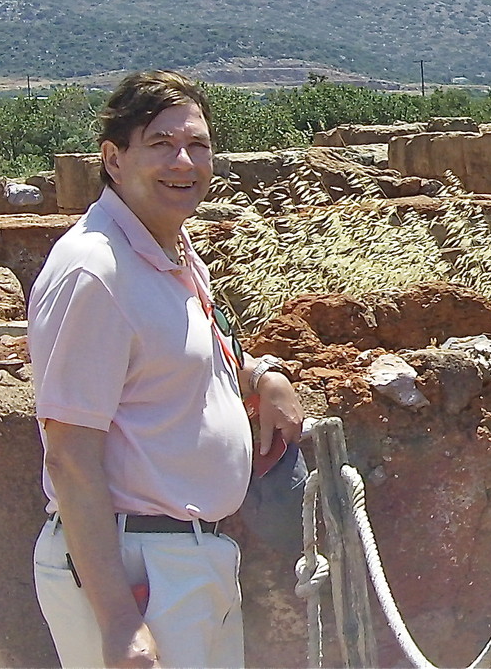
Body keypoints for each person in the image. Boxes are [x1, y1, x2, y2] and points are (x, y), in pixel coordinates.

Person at [28, 70, 302, 668]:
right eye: (160, 144)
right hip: (137, 566)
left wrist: (265, 377)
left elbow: (191, 359)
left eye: (198, 145)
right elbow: (69, 455)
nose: (184, 161)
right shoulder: (95, 272)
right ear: (113, 159)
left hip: (187, 558)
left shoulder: (168, 251)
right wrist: (121, 625)